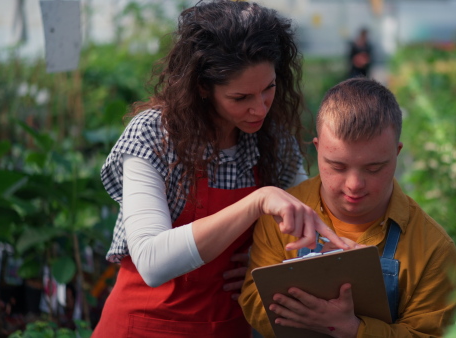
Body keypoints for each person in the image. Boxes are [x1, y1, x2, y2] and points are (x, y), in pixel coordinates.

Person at [92, 1, 347, 337]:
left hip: (227, 326)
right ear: (202, 87)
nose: (259, 109)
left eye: (268, 89)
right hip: (145, 325)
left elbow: (309, 234)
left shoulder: (272, 141)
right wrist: (258, 200)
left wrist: (268, 262)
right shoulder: (154, 135)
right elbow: (152, 262)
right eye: (240, 98)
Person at [239, 78, 456, 337]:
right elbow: (253, 302)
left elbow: (429, 334)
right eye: (338, 167)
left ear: (397, 153)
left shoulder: (433, 248)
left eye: (374, 168)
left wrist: (352, 329)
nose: (354, 185)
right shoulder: (282, 216)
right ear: (317, 149)